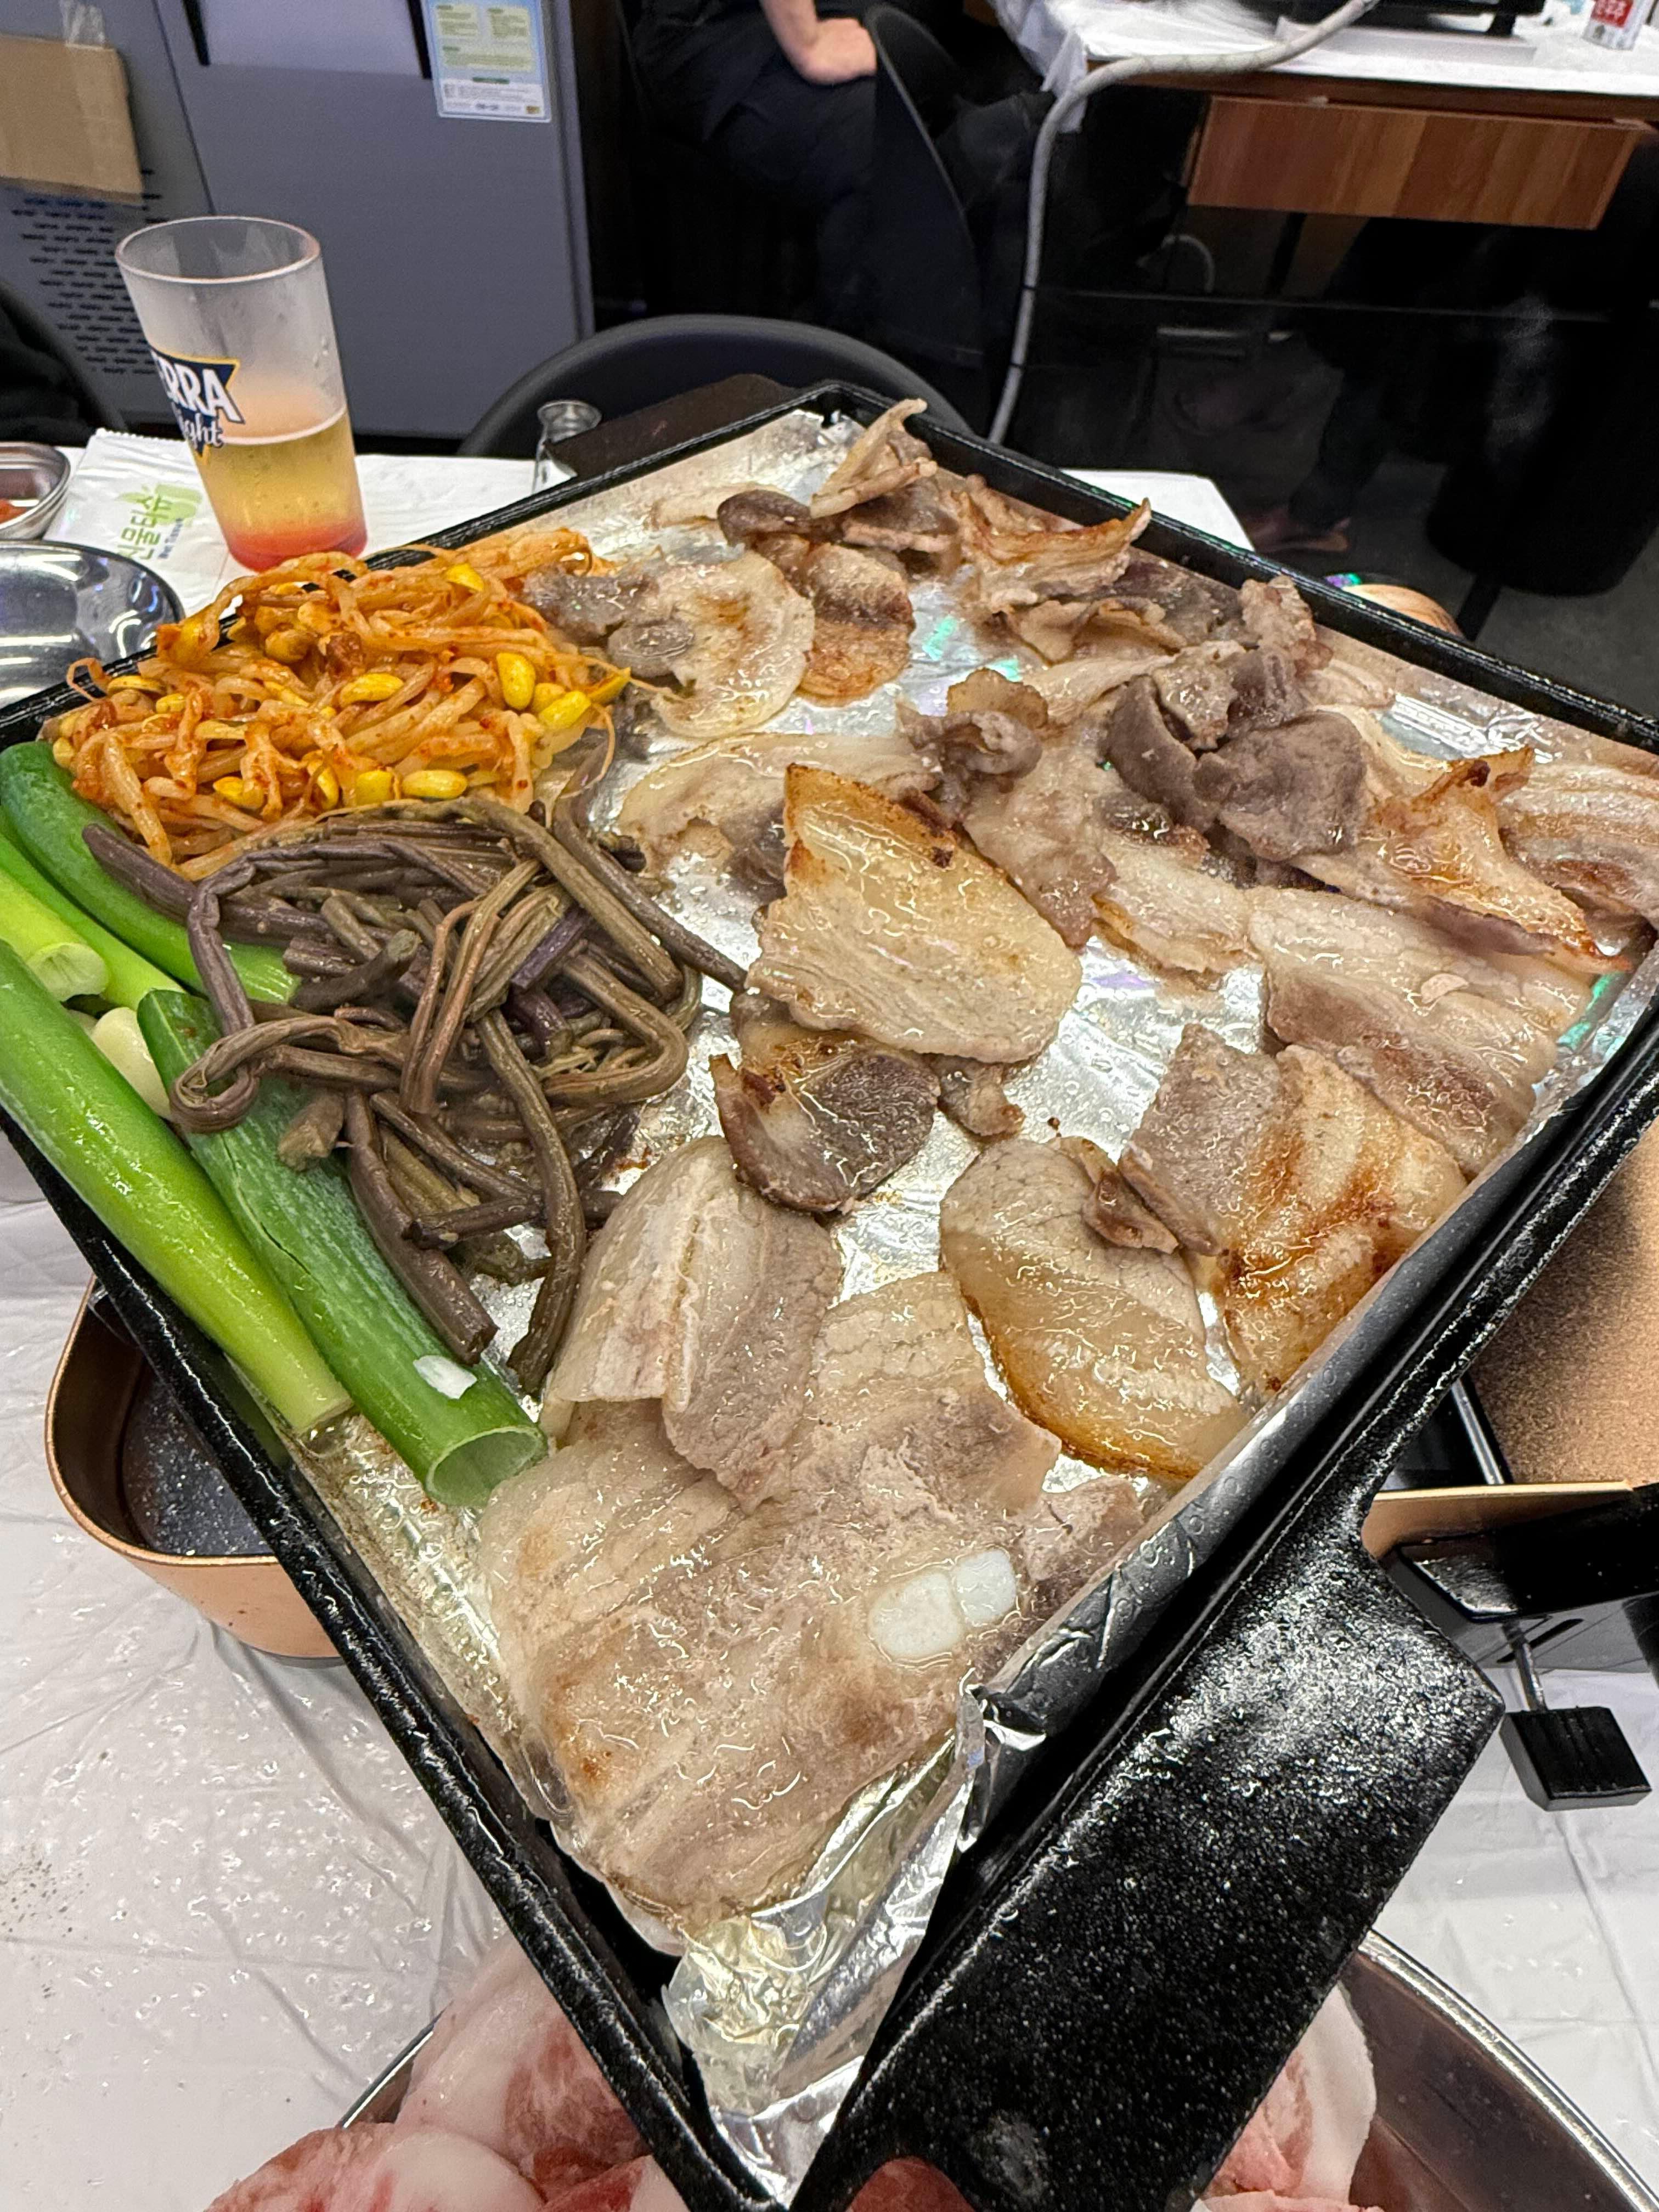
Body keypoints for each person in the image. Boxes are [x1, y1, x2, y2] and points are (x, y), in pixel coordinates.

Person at [631, 0, 913, 330]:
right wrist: (810, 45)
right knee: (882, 140)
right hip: (714, 31)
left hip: (773, 18)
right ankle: (849, 354)